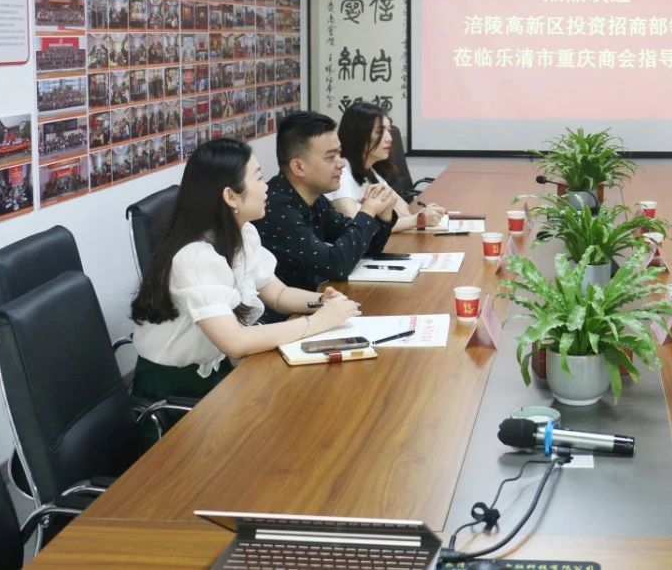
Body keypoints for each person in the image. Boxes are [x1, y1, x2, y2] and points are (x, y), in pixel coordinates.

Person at [130, 138, 361, 405]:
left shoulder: (242, 233)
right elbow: (235, 341)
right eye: (259, 178)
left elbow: (278, 294)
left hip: (219, 370)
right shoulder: (195, 258)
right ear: (231, 196)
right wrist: (317, 323)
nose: (266, 187)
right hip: (173, 390)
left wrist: (323, 302)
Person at [253, 111, 396, 293]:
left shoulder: (315, 197)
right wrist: (367, 212)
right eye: (330, 157)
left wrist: (383, 216)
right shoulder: (274, 208)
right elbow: (336, 265)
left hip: (318, 300)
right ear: (298, 166)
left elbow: (365, 247)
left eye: (339, 154)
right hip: (291, 308)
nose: (341, 164)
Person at [329, 102, 446, 231]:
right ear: (358, 135)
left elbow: (403, 211)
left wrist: (423, 215)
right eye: (380, 131)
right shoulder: (341, 173)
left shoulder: (370, 171)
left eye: (388, 130)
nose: (389, 138)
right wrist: (417, 220)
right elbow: (356, 228)